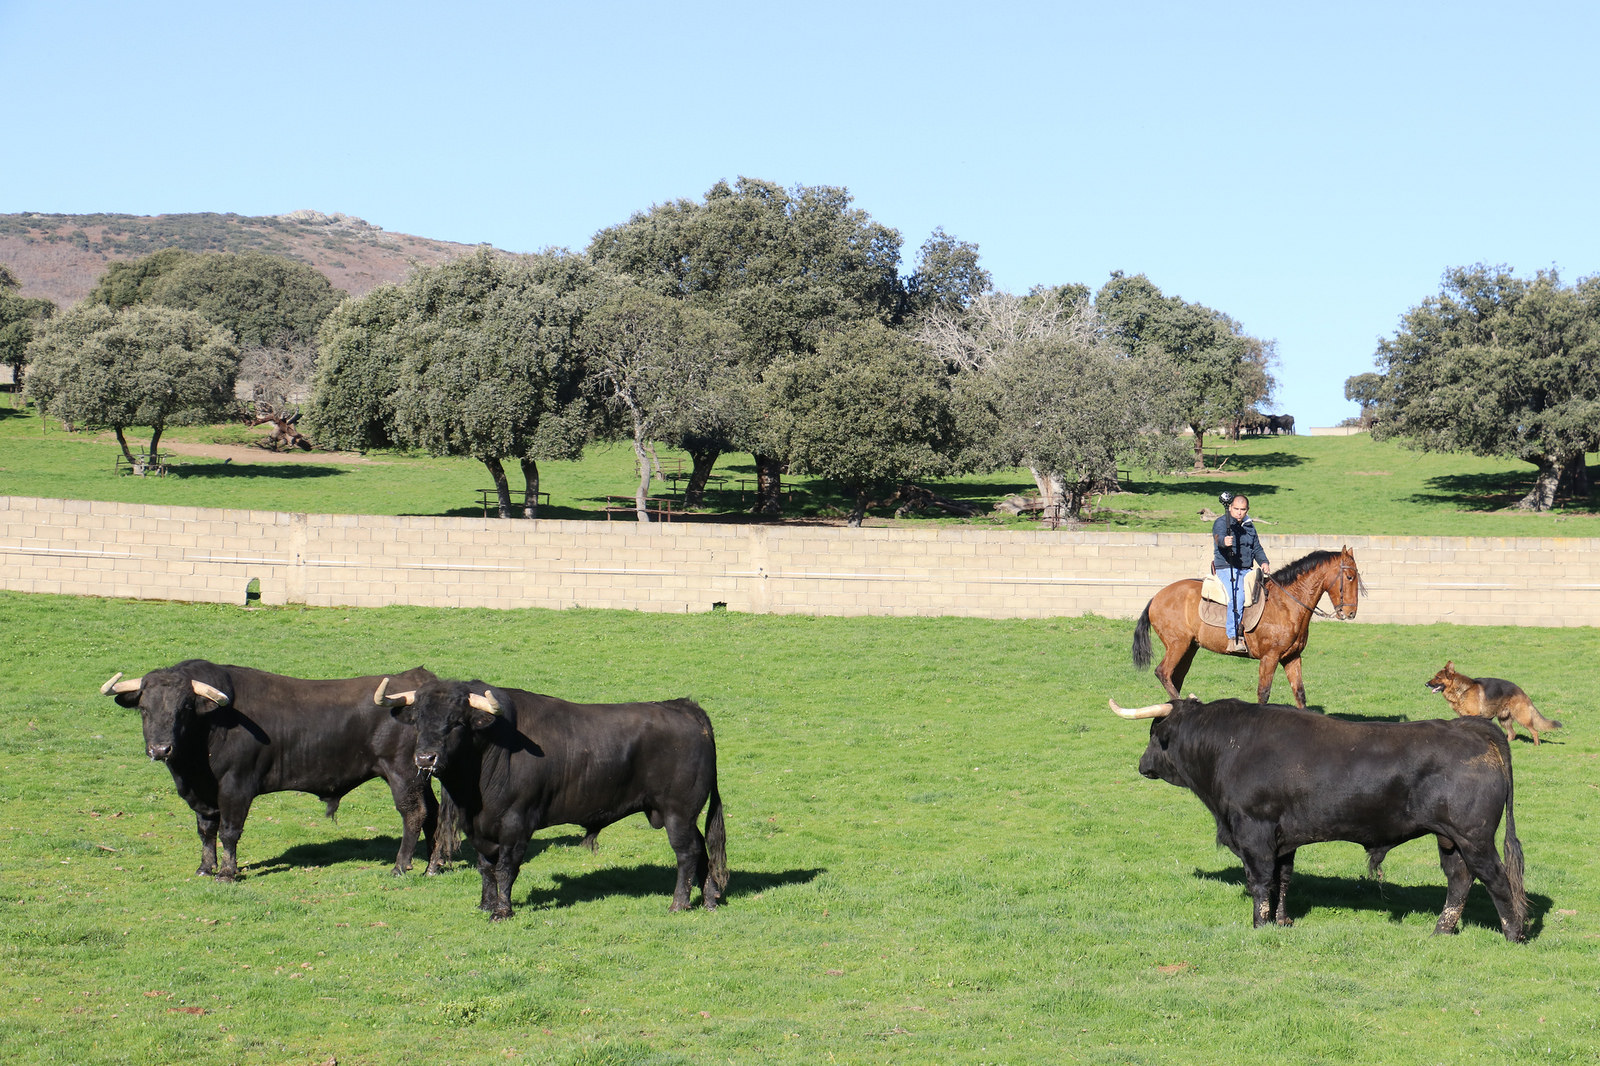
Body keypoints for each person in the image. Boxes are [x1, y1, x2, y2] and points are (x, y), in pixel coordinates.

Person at [1212, 492, 1269, 653]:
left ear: (1247, 510)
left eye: (1242, 509)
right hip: (1226, 567)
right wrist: (1224, 541)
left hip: (1246, 569)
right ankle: (1233, 638)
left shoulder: (1249, 526)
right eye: (1236, 509)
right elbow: (1218, 537)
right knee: (1237, 597)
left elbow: (1256, 548)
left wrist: (1264, 562)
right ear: (1230, 507)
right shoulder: (1222, 522)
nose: (1239, 512)